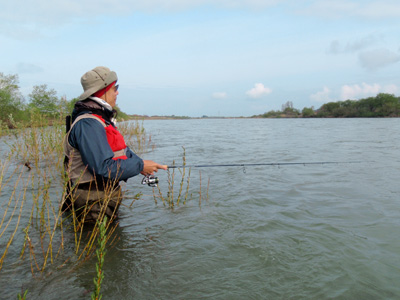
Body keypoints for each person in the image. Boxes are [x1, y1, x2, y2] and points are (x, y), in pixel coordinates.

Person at [62, 66, 167, 223]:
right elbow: (103, 168)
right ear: (101, 91)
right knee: (96, 244)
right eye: (114, 88)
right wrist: (140, 166)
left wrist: (142, 165)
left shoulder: (100, 119)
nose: (117, 92)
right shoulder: (89, 124)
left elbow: (122, 150)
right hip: (92, 200)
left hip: (101, 197)